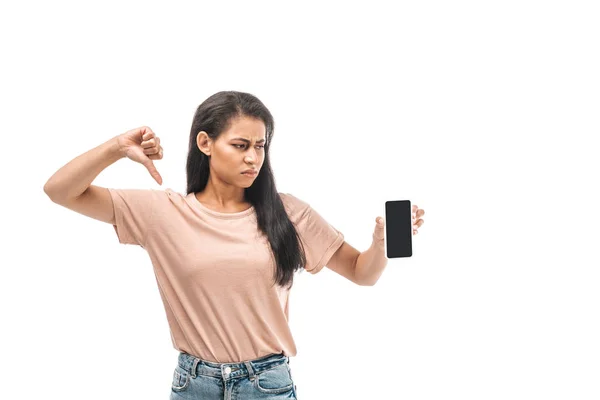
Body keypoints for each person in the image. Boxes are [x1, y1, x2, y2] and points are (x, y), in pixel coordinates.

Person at [43, 90, 425, 399]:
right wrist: (115, 147)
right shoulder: (162, 212)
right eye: (240, 145)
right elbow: (59, 190)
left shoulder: (287, 212)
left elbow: (362, 273)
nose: (253, 157)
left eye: (260, 146)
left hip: (267, 384)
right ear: (205, 143)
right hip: (195, 385)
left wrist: (381, 244)